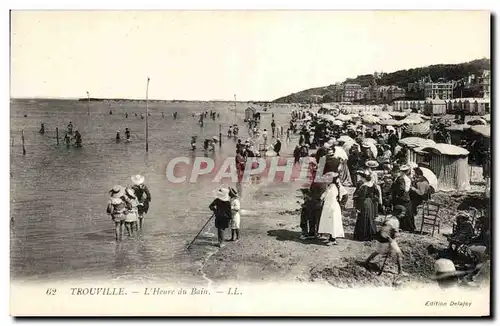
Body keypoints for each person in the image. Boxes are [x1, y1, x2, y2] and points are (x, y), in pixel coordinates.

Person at [318, 172, 344, 246]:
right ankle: (331, 237)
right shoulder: (330, 186)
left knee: (333, 222)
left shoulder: (333, 188)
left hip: (331, 207)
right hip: (329, 206)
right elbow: (324, 195)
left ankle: (333, 239)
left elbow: (330, 197)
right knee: (330, 223)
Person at [353, 171, 378, 242]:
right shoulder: (373, 184)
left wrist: (357, 207)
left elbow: (360, 197)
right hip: (370, 203)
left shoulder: (363, 186)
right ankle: (371, 234)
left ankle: (363, 235)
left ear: (364, 178)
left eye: (361, 177)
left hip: (364, 203)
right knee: (370, 217)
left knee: (363, 218)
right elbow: (376, 195)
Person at [391, 164, 414, 232]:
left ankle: (405, 226)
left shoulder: (401, 178)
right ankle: (407, 226)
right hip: (406, 196)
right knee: (406, 212)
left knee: (403, 211)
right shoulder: (407, 178)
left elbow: (402, 189)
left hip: (402, 197)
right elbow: (407, 189)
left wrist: (397, 194)